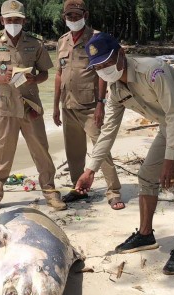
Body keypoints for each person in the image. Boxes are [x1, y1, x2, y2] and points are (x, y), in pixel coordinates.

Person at [75, 33, 174, 275]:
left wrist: (170, 160)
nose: (104, 70)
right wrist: (90, 170)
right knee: (146, 176)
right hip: (169, 125)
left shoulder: (153, 71)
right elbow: (108, 131)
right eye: (98, 67)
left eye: (107, 62)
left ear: (121, 53)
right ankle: (145, 234)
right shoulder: (116, 90)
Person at [0, 0, 67, 213]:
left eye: (17, 20)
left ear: (24, 20)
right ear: (2, 20)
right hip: (5, 107)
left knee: (41, 150)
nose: (13, 23)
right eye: (9, 20)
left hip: (31, 106)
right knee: (1, 152)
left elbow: (46, 72)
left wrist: (34, 78)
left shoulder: (35, 42)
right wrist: (2, 78)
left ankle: (49, 191)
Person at [53, 0, 124, 209]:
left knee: (101, 150)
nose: (73, 19)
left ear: (86, 14)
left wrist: (101, 103)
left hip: (91, 105)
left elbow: (102, 72)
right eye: (69, 16)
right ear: (64, 17)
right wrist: (55, 105)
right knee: (73, 151)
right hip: (67, 105)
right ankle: (79, 189)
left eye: (77, 15)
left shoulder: (97, 38)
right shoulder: (62, 41)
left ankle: (114, 191)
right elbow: (59, 74)